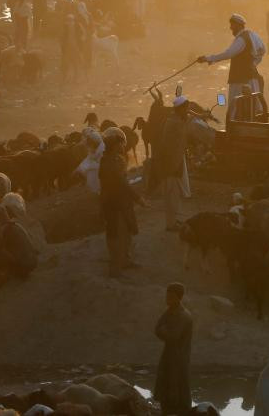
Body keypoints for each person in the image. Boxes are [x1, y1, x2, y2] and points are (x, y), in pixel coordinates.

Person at [198, 14, 266, 123]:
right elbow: (262, 50)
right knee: (252, 106)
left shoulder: (241, 39)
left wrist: (208, 58)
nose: (230, 28)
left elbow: (228, 54)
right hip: (250, 77)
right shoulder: (251, 35)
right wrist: (254, 63)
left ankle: (233, 130)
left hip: (240, 79)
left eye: (232, 25)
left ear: (238, 25)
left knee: (234, 107)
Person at [98, 128, 146, 277]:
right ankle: (116, 268)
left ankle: (124, 260)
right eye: (120, 143)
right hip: (115, 204)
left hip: (117, 203)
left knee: (124, 233)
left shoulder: (109, 160)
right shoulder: (113, 162)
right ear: (114, 145)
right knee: (117, 235)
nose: (123, 145)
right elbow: (122, 184)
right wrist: (138, 198)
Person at [155, 282, 193, 416]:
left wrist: (164, 330)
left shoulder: (184, 315)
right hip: (169, 355)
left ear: (178, 297)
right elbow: (157, 328)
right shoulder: (170, 310)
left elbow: (173, 336)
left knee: (177, 389)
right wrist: (164, 330)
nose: (167, 299)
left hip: (179, 358)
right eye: (167, 295)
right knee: (166, 388)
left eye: (170, 296)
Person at [159, 96, 190, 231]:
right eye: (186, 108)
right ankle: (170, 225)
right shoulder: (175, 123)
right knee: (171, 194)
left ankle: (173, 221)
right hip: (171, 163)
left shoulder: (174, 120)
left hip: (175, 161)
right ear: (180, 109)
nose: (187, 111)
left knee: (174, 194)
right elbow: (172, 145)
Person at [60, 14, 84, 82]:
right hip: (67, 48)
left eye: (71, 20)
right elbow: (62, 38)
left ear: (74, 21)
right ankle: (65, 77)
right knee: (65, 63)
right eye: (68, 20)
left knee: (76, 63)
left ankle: (76, 78)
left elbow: (82, 36)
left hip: (76, 47)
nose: (70, 22)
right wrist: (63, 47)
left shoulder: (78, 27)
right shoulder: (65, 28)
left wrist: (80, 46)